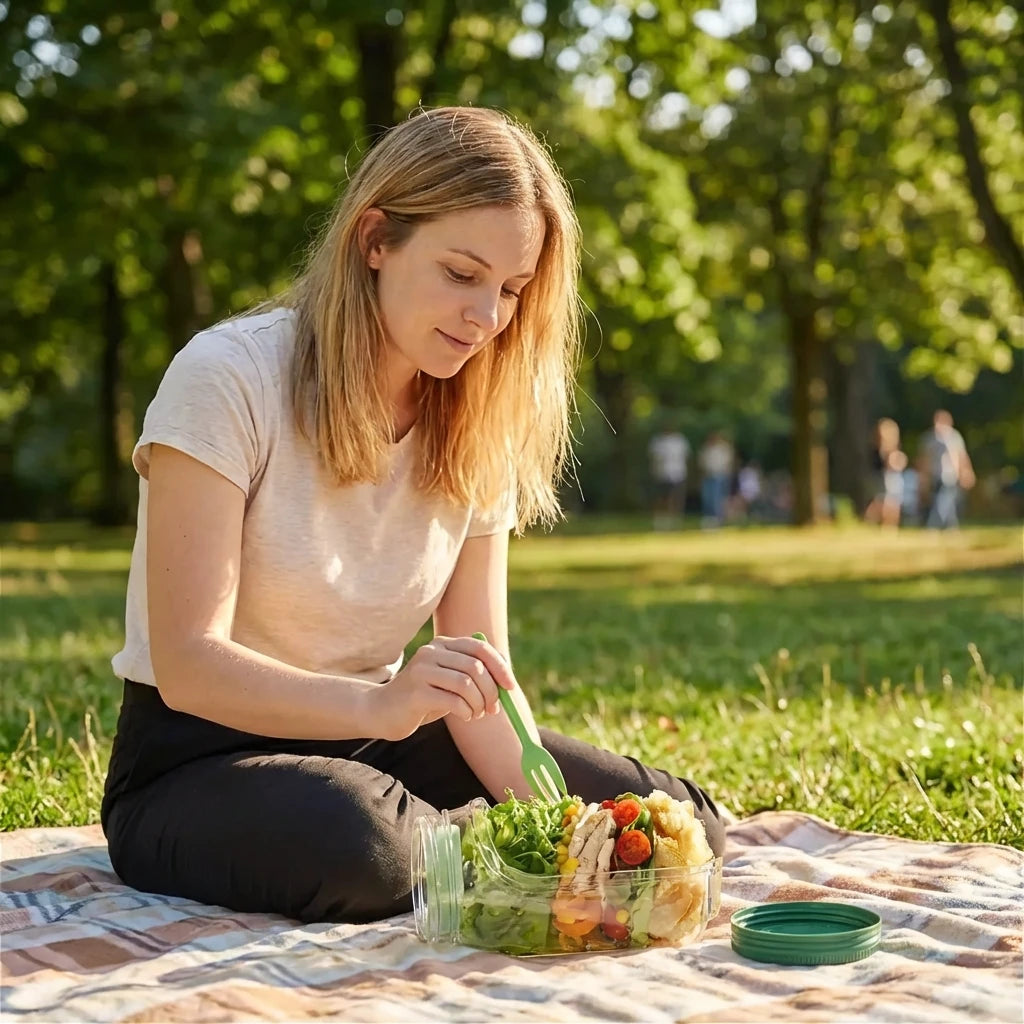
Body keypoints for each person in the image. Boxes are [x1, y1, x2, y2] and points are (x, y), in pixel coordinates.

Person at [100, 107, 726, 925]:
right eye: (462, 274)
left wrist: (562, 827)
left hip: (381, 737)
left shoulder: (480, 414)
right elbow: (188, 664)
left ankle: (475, 845)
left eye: (511, 289)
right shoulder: (228, 376)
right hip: (198, 758)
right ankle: (452, 844)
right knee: (372, 849)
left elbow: (481, 673)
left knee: (672, 822)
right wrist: (376, 710)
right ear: (375, 242)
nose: (487, 317)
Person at [919, 410, 974, 530]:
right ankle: (950, 527)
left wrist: (966, 472)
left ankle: (934, 525)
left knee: (944, 500)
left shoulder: (954, 437)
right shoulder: (930, 439)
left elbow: (961, 456)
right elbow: (924, 459)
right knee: (944, 501)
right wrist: (924, 477)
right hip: (935, 474)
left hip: (950, 475)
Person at [864, 418, 907, 529]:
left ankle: (889, 525)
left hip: (891, 479)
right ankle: (880, 523)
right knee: (882, 502)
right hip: (882, 479)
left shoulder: (892, 450)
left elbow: (899, 463)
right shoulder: (877, 451)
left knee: (891, 503)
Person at [648, 419, 690, 529]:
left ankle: (675, 519)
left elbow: (686, 456)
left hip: (677, 473)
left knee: (676, 497)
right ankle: (660, 519)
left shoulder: (680, 440)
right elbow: (653, 457)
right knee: (661, 498)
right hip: (661, 474)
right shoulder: (658, 441)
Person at [698, 431, 735, 527]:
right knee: (707, 497)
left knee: (717, 498)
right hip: (708, 475)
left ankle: (717, 518)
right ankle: (709, 518)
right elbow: (702, 462)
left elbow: (728, 463)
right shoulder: (706, 449)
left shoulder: (723, 449)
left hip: (719, 476)